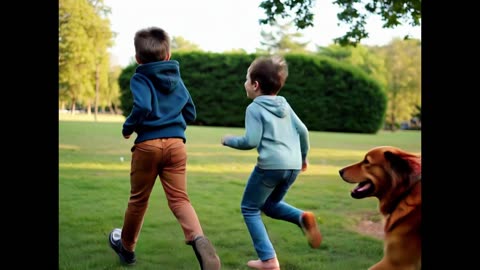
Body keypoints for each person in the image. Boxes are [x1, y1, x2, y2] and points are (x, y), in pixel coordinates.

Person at [108, 26, 221, 270]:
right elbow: (190, 112)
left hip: (148, 146)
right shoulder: (177, 78)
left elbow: (143, 107)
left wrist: (128, 127)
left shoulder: (140, 76)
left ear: (138, 58)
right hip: (176, 145)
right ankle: (198, 239)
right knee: (180, 199)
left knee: (138, 200)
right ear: (168, 55)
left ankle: (126, 249)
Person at [221, 55, 322, 270]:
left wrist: (229, 140)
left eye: (246, 79)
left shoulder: (254, 108)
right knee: (270, 205)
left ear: (255, 85)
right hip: (292, 166)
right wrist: (303, 157)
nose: (244, 83)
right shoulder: (284, 104)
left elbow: (250, 141)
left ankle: (268, 260)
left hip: (270, 167)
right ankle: (302, 217)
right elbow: (303, 130)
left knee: (249, 208)